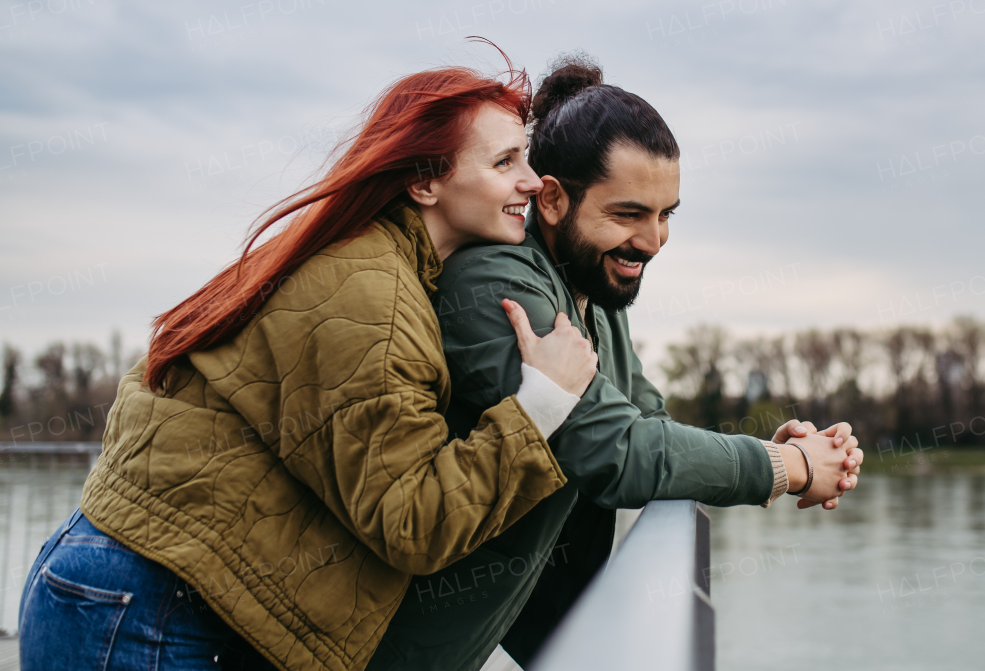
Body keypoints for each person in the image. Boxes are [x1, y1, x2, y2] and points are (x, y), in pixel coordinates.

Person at [17, 56, 600, 671]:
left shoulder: (365, 261)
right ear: (425, 183)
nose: (533, 182)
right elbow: (412, 521)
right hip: (142, 608)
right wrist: (541, 404)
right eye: (505, 162)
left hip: (131, 588)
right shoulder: (370, 296)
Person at [369, 54, 864, 671]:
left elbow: (646, 417)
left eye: (666, 216)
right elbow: (614, 450)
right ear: (550, 200)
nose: (653, 242)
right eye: (629, 214)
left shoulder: (595, 290)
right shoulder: (496, 282)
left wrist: (775, 448)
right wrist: (784, 468)